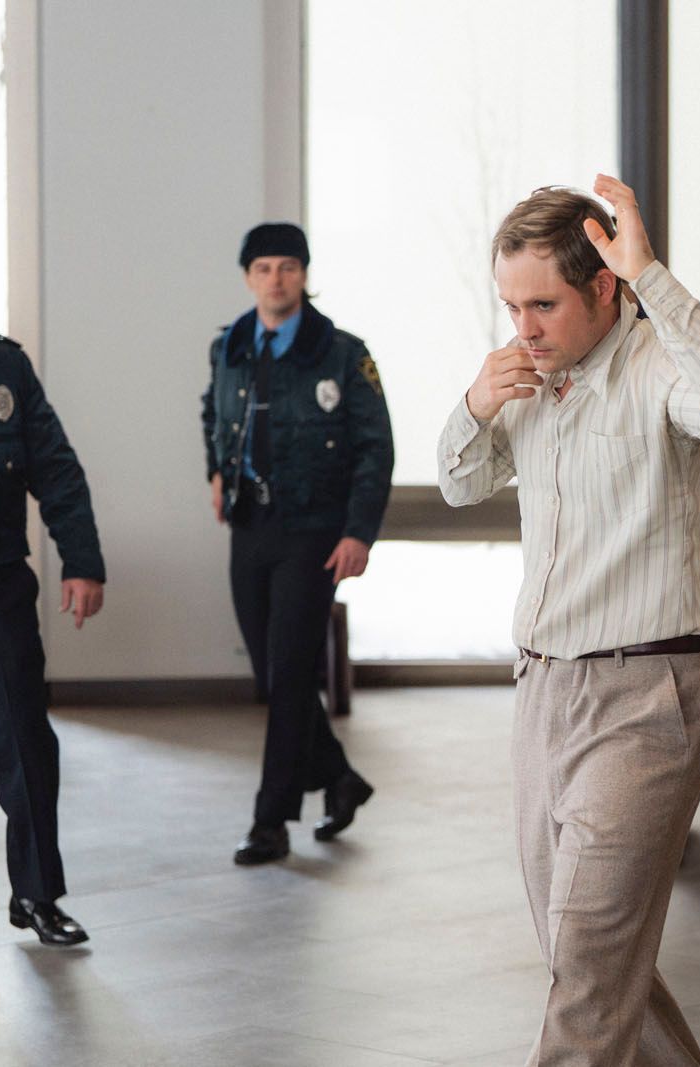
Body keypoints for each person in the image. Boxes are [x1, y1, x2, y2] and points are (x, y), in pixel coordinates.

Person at [437, 179, 700, 1065]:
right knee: (588, 956)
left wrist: (651, 276)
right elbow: (459, 484)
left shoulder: (662, 365)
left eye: (543, 304)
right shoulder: (526, 375)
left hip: (649, 697)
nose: (524, 327)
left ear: (602, 286)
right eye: (511, 306)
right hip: (542, 691)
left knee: (588, 959)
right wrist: (476, 403)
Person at [202, 222, 393, 865]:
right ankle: (340, 778)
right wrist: (216, 471)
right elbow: (212, 412)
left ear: (304, 274)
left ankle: (271, 820)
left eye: (288, 266)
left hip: (313, 532)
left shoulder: (342, 353)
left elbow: (375, 449)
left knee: (290, 675)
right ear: (248, 277)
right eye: (263, 268)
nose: (276, 279)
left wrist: (359, 531)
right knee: (272, 672)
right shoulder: (229, 346)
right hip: (249, 527)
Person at [0, 333, 103, 946]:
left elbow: (55, 467)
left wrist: (82, 560)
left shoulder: (5, 366)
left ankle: (36, 894)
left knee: (27, 740)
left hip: (0, 584)